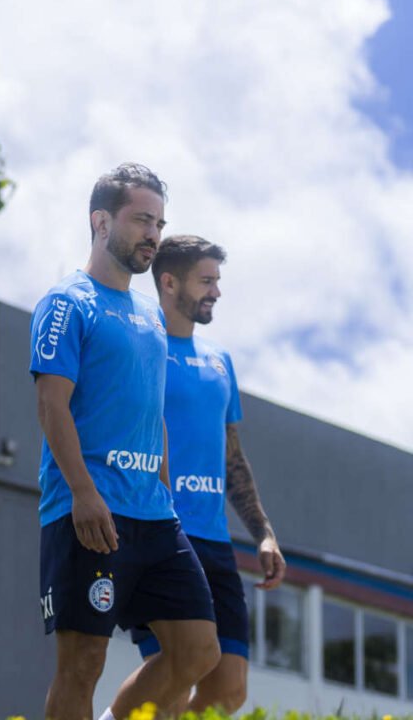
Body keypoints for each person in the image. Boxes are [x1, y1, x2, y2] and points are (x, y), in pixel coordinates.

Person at [30, 163, 220, 720]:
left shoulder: (151, 315)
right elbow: (51, 405)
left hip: (155, 516)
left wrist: (166, 498)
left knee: (198, 650)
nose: (153, 236)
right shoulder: (67, 302)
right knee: (82, 664)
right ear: (101, 220)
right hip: (87, 511)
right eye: (142, 220)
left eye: (159, 223)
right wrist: (85, 494)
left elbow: (151, 414)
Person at [129, 235, 286, 713]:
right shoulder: (138, 345)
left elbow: (232, 457)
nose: (216, 291)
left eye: (218, 280)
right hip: (160, 535)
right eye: (206, 280)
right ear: (169, 281)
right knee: (178, 674)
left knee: (228, 691)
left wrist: (262, 532)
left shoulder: (220, 361)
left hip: (216, 542)